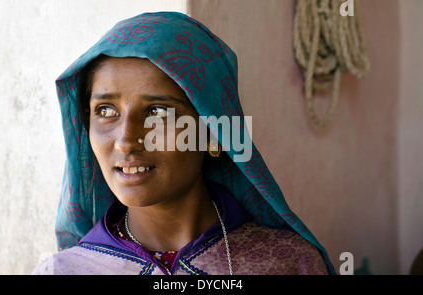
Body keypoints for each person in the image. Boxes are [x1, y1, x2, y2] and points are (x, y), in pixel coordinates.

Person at [33, 12, 334, 275]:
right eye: (106, 111)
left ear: (215, 132)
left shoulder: (288, 263)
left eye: (157, 112)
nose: (125, 142)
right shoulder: (63, 272)